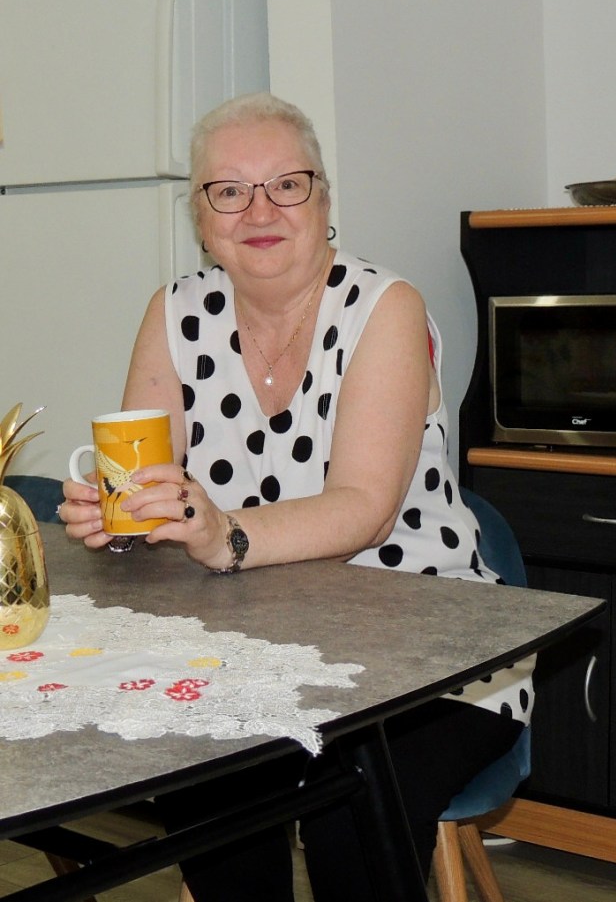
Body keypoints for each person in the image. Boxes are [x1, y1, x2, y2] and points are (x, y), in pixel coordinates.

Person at [58, 92, 533, 901]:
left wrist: (223, 535)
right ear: (201, 216)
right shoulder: (175, 314)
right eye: (229, 191)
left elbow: (364, 508)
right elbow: (152, 487)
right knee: (202, 771)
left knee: (346, 805)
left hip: (431, 653)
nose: (259, 210)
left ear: (323, 199)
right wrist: (122, 523)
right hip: (252, 650)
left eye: (286, 184)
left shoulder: (385, 308)